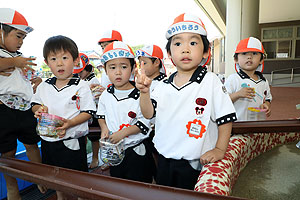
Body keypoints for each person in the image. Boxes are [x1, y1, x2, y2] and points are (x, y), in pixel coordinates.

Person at [136, 13, 237, 190]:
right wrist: (144, 93)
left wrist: (220, 149)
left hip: (196, 162)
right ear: (169, 53)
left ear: (206, 51)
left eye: (193, 42)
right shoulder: (162, 85)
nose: (185, 49)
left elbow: (225, 118)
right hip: (165, 158)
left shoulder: (211, 81)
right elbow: (148, 113)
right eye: (177, 43)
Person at [31, 35, 96, 200]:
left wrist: (70, 123)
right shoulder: (44, 86)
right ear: (47, 62)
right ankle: (61, 197)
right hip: (48, 141)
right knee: (56, 178)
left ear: (75, 61)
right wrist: (38, 110)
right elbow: (35, 104)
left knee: (78, 179)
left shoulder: (81, 86)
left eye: (64, 57)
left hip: (72, 141)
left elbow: (88, 111)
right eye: (53, 58)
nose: (59, 63)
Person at [0, 8, 45, 199]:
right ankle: (12, 190)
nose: (21, 41)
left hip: (25, 107)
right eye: (18, 36)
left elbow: (30, 75)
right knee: (7, 153)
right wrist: (14, 62)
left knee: (32, 144)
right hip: (4, 109)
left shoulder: (18, 56)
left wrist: (36, 81)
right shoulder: (14, 58)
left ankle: (41, 179)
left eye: (23, 38)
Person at [97, 41, 155, 183]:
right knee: (119, 184)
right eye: (112, 67)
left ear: (133, 68)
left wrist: (123, 133)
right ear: (105, 70)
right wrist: (104, 128)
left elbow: (145, 122)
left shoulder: (141, 93)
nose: (118, 72)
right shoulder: (106, 94)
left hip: (136, 150)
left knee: (140, 186)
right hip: (115, 150)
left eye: (123, 67)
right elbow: (101, 115)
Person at [224, 37, 272, 121]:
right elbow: (222, 100)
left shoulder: (264, 81)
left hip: (257, 125)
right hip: (237, 125)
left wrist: (266, 105)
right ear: (236, 59)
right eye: (244, 53)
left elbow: (267, 99)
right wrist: (238, 94)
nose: (249, 57)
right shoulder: (233, 79)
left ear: (261, 60)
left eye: (254, 53)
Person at [74, 52, 105, 169]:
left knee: (94, 137)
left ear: (88, 69)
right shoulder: (80, 81)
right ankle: (86, 156)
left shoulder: (93, 81)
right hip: (81, 113)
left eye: (81, 72)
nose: (79, 74)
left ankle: (95, 158)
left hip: (93, 114)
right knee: (84, 136)